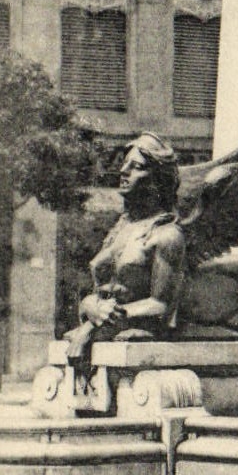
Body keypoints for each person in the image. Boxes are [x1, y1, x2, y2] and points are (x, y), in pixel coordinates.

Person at [65, 135, 185, 364]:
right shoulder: (121, 228)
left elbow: (162, 305)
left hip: (132, 327)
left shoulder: (168, 235)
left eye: (136, 167)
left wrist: (92, 325)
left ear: (158, 180)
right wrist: (89, 305)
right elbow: (97, 290)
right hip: (107, 326)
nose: (123, 170)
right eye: (125, 163)